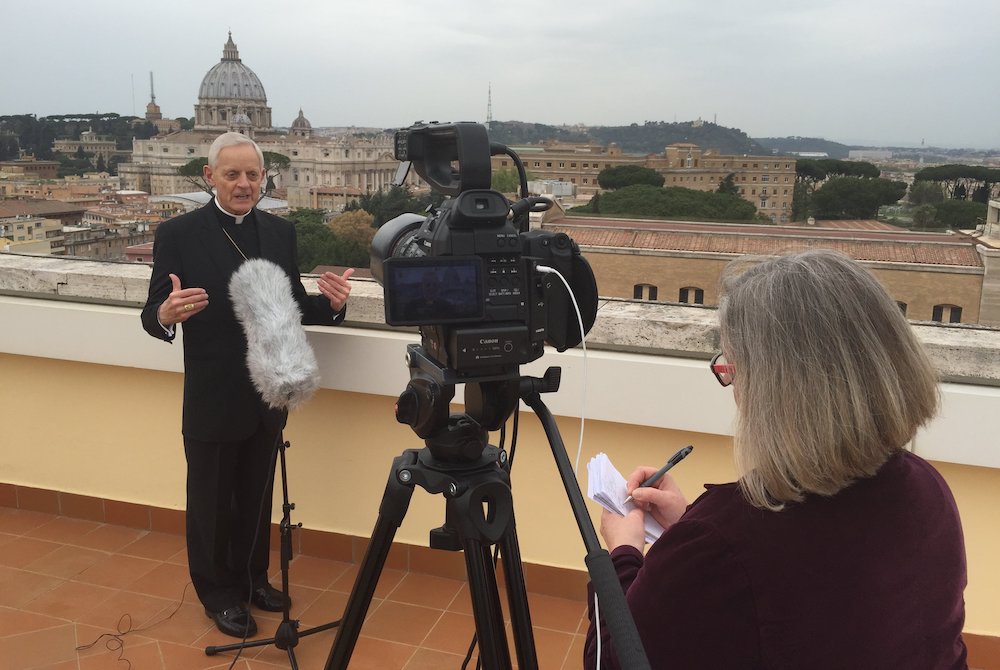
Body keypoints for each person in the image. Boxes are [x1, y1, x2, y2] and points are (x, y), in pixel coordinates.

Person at [585, 249, 968, 669]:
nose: (732, 387)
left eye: (732, 368)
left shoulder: (721, 546)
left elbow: (614, 660)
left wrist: (623, 551)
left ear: (773, 390)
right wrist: (689, 526)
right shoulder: (926, 487)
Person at [141, 132, 354, 638]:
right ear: (210, 176)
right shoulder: (178, 233)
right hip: (214, 393)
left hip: (268, 392)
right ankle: (218, 594)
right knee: (212, 501)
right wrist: (166, 314)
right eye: (232, 174)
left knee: (257, 495)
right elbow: (154, 313)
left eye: (252, 174)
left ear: (264, 178)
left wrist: (336, 304)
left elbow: (293, 306)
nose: (243, 184)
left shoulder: (280, 235)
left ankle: (254, 578)